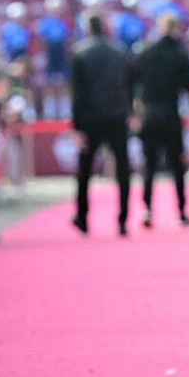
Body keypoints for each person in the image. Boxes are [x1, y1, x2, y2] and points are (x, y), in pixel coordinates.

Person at [69, 12, 135, 236]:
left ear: (88, 28)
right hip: (117, 117)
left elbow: (77, 94)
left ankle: (82, 217)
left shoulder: (79, 53)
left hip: (90, 120)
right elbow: (129, 85)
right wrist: (129, 111)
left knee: (85, 171)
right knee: (123, 169)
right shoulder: (120, 52)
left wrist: (77, 127)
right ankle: (123, 219)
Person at [134, 13, 189, 228]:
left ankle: (147, 210)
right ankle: (181, 212)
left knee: (149, 165)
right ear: (177, 29)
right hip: (171, 115)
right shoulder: (181, 56)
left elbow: (133, 80)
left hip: (148, 115)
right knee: (177, 165)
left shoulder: (145, 52)